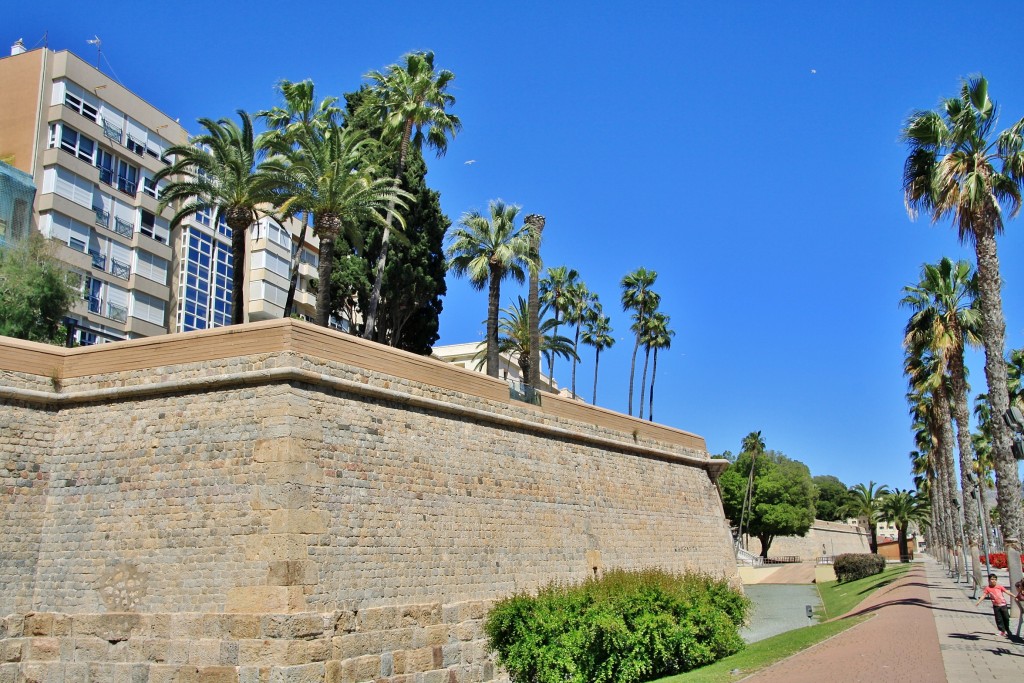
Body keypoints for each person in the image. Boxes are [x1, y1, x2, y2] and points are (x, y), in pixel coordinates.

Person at [976, 573, 1013, 637]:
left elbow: (1007, 592)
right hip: (996, 606)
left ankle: (1007, 629)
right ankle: (1002, 631)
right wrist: (979, 602)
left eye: (995, 579)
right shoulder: (987, 588)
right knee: (998, 619)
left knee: (1006, 617)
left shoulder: (999, 587)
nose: (993, 581)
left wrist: (1014, 596)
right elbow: (983, 595)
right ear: (989, 580)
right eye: (992, 579)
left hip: (1003, 605)